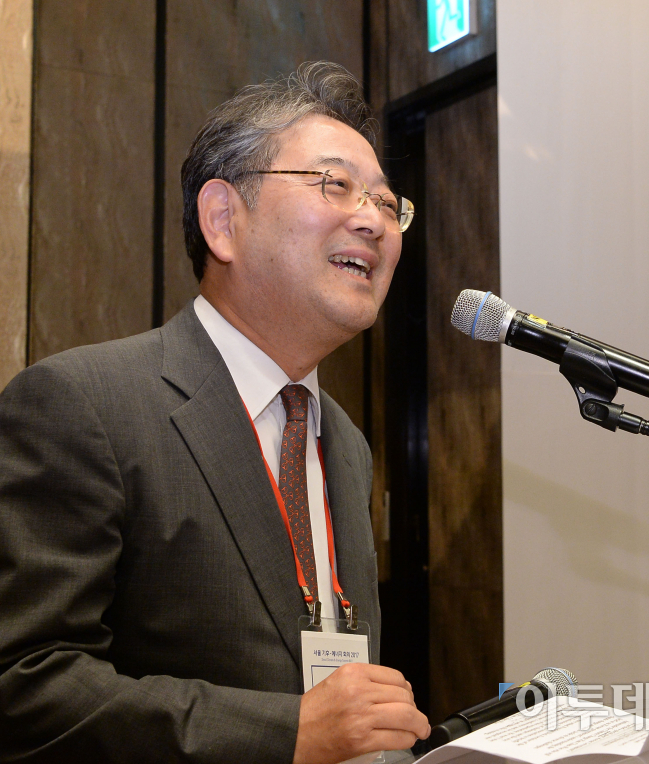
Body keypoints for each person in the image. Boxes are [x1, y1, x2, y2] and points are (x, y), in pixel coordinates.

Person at [0, 62, 430, 764]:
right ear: (223, 220)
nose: (372, 220)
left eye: (387, 202)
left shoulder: (345, 443)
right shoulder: (84, 404)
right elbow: (23, 687)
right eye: (335, 185)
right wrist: (286, 733)